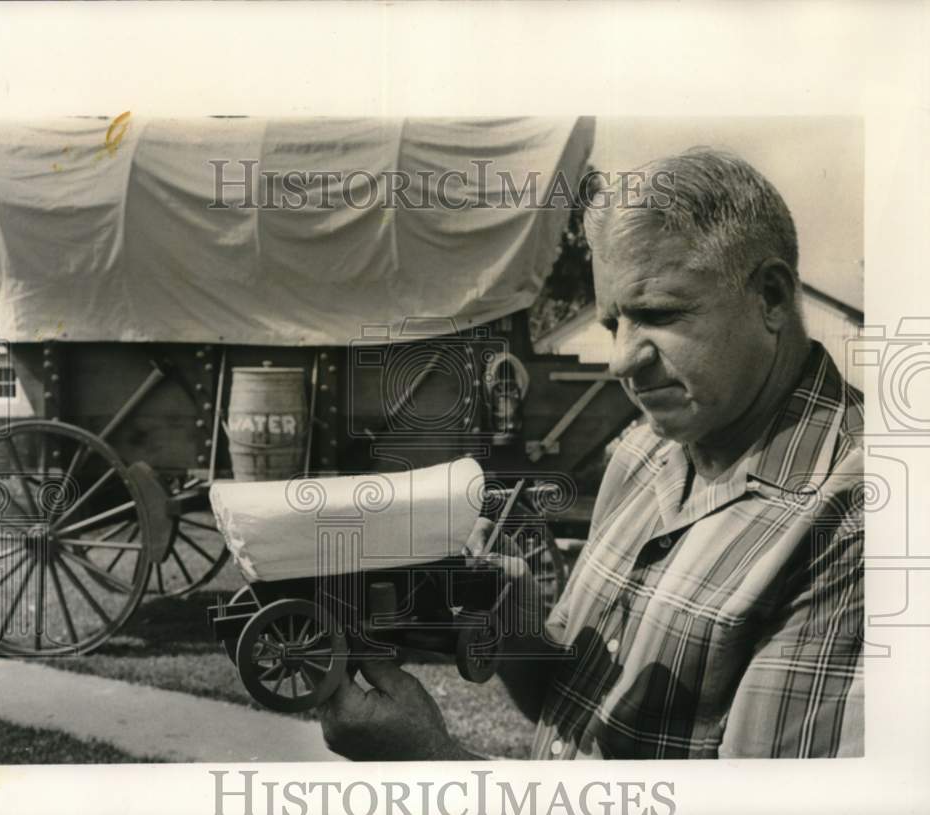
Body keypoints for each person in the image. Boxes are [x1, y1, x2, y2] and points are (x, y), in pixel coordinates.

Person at [319, 148, 864, 760]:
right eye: (612, 324)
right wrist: (515, 629)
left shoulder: (857, 517)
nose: (622, 360)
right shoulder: (644, 451)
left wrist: (429, 763)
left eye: (658, 315)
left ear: (769, 296)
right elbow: (576, 709)